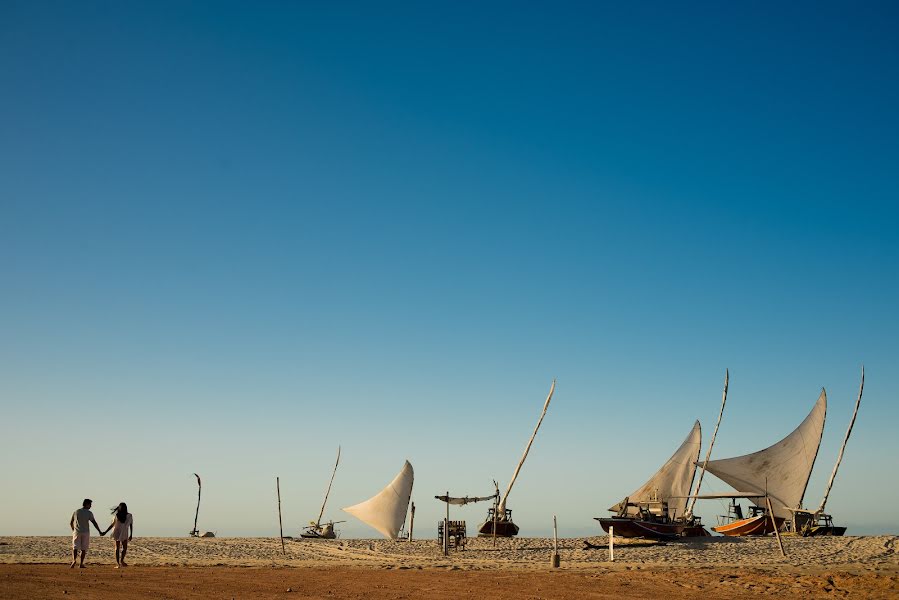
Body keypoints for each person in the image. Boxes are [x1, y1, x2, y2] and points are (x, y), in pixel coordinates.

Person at [69, 498, 104, 568]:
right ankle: (81, 563)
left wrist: (73, 530)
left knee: (75, 547)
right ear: (86, 504)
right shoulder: (89, 513)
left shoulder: (76, 511)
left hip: (77, 532)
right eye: (90, 504)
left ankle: (74, 560)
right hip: (85, 532)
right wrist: (99, 531)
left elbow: (71, 522)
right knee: (83, 548)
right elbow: (94, 522)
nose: (90, 506)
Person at [101, 502, 133, 567]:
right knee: (121, 548)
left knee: (120, 548)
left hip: (120, 532)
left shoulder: (127, 515)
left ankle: (119, 562)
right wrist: (105, 531)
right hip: (120, 532)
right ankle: (119, 562)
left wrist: (131, 534)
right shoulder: (119, 515)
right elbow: (113, 524)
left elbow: (130, 524)